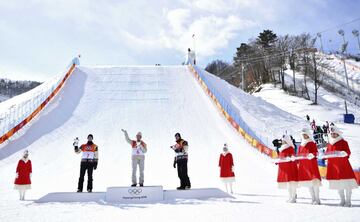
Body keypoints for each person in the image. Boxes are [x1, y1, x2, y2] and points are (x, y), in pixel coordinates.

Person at [325, 125, 358, 207]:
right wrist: (326, 157)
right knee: (339, 185)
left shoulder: (344, 142)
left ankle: (348, 201)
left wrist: (345, 153)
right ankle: (342, 200)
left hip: (344, 166)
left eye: (335, 133)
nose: (333, 135)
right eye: (332, 134)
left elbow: (348, 152)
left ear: (338, 134)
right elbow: (327, 153)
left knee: (347, 184)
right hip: (334, 168)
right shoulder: (329, 144)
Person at [297, 128, 322, 205]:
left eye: (305, 135)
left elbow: (316, 153)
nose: (304, 136)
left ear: (308, 135)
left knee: (315, 183)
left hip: (312, 165)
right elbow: (299, 156)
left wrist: (313, 155)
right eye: (303, 135)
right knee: (309, 184)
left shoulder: (312, 143)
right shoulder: (301, 146)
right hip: (304, 167)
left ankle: (317, 199)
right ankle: (313, 198)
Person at [277, 135, 298, 203]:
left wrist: (290, 158)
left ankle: (293, 197)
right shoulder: (281, 148)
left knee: (292, 183)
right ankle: (290, 197)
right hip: (285, 168)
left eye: (283, 140)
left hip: (291, 167)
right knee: (288, 184)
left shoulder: (290, 147)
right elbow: (281, 157)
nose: (282, 141)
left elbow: (293, 156)